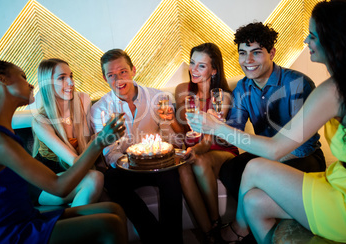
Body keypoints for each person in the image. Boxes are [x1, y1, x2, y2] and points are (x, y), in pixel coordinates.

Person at [187, 0, 346, 243]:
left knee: (254, 168)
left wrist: (217, 127)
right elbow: (235, 132)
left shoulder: (308, 85)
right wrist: (219, 125)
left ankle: (235, 232)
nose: (306, 41)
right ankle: (241, 231)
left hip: (336, 185)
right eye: (242, 53)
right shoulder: (243, 88)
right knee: (248, 195)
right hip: (341, 180)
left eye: (312, 35)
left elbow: (284, 148)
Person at [0, 60, 128, 243]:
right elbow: (59, 187)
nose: (31, 84)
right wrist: (98, 142)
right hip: (6, 233)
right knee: (109, 225)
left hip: (26, 218)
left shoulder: (2, 132)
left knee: (114, 209)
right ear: (2, 80)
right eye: (23, 77)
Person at [90, 49, 183, 244]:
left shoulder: (158, 98)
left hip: (156, 160)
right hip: (127, 165)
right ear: (104, 78)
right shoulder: (100, 109)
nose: (118, 79)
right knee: (110, 180)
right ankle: (153, 237)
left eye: (123, 72)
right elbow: (109, 152)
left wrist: (169, 122)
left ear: (133, 70)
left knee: (172, 175)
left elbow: (175, 141)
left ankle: (174, 240)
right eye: (111, 74)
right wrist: (129, 162)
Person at [162, 43, 239, 242]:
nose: (193, 70)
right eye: (192, 63)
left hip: (222, 149)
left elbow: (209, 140)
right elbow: (186, 134)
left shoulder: (222, 97)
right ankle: (209, 235)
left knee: (200, 160)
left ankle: (216, 223)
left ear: (214, 70)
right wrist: (170, 119)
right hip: (197, 148)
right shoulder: (182, 91)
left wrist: (194, 150)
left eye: (201, 66)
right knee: (182, 168)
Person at [30, 58, 104, 207]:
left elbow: (88, 145)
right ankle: (72, 227)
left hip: (76, 173)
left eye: (71, 76)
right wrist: (99, 140)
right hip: (46, 180)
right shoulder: (41, 121)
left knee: (103, 184)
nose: (71, 83)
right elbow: (75, 162)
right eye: (62, 78)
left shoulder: (82, 100)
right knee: (95, 178)